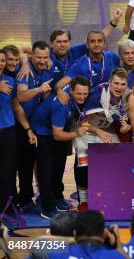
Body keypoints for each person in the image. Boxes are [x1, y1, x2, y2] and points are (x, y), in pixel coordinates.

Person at [29, 76, 89, 219]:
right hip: (43, 132)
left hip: (59, 128)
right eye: (79, 94)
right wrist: (76, 133)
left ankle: (57, 197)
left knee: (59, 167)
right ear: (72, 91)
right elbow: (56, 135)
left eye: (85, 94)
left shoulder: (77, 93)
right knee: (47, 171)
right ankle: (47, 208)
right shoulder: (61, 105)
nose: (82, 97)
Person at [73, 68, 131, 210]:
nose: (119, 87)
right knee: (83, 165)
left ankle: (112, 195)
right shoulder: (96, 95)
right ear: (110, 82)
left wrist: (123, 128)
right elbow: (82, 123)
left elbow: (118, 119)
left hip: (106, 131)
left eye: (122, 84)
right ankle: (84, 201)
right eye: (116, 83)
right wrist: (98, 131)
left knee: (119, 161)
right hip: (87, 131)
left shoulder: (126, 96)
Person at [16, 41, 52, 211]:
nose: (42, 60)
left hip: (39, 125)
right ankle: (25, 199)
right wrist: (39, 89)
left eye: (45, 57)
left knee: (41, 163)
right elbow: (22, 96)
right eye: (39, 57)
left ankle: (40, 196)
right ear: (31, 56)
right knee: (25, 164)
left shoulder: (46, 69)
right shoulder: (26, 71)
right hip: (23, 124)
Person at [0, 48, 36, 214]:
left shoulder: (10, 80)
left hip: (8, 130)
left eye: (2, 61)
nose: (2, 64)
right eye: (2, 60)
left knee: (9, 171)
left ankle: (9, 207)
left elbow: (16, 105)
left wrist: (27, 128)